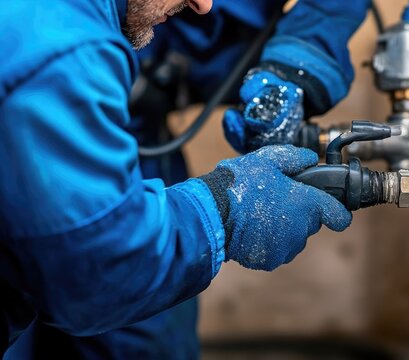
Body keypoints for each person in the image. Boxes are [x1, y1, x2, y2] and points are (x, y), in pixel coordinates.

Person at [0, 0, 371, 358]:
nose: (205, 5)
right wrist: (227, 210)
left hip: (131, 109)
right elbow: (101, 271)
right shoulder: (56, 51)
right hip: (80, 88)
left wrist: (295, 66)